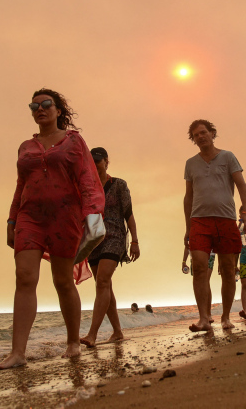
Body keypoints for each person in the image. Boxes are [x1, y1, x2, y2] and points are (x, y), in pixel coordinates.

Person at [0, 89, 104, 370]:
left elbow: (87, 178)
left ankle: (72, 343)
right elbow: (21, 185)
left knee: (63, 281)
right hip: (29, 217)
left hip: (65, 217)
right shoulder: (25, 147)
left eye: (45, 104)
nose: (39, 109)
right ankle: (17, 353)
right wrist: (11, 219)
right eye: (34, 106)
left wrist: (93, 214)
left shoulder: (73, 141)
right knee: (24, 276)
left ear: (57, 109)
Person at [183, 119, 246, 331]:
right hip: (199, 221)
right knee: (200, 267)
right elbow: (188, 197)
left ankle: (225, 317)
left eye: (203, 132)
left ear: (212, 133)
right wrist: (187, 227)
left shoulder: (227, 157)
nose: (200, 137)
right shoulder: (190, 163)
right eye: (196, 135)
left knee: (228, 269)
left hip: (225, 219)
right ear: (193, 140)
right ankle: (204, 318)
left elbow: (241, 185)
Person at [79, 147, 140, 348]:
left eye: (98, 161)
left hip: (114, 235)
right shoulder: (87, 187)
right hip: (94, 239)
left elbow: (128, 213)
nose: (95, 165)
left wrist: (135, 241)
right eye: (92, 161)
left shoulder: (119, 185)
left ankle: (92, 334)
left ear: (106, 162)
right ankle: (117, 331)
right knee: (105, 286)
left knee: (103, 281)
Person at [182, 246, 218, 323]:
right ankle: (203, 315)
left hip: (209, 252)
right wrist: (184, 261)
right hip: (195, 254)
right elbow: (188, 243)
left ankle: (208, 314)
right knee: (199, 281)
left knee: (206, 280)